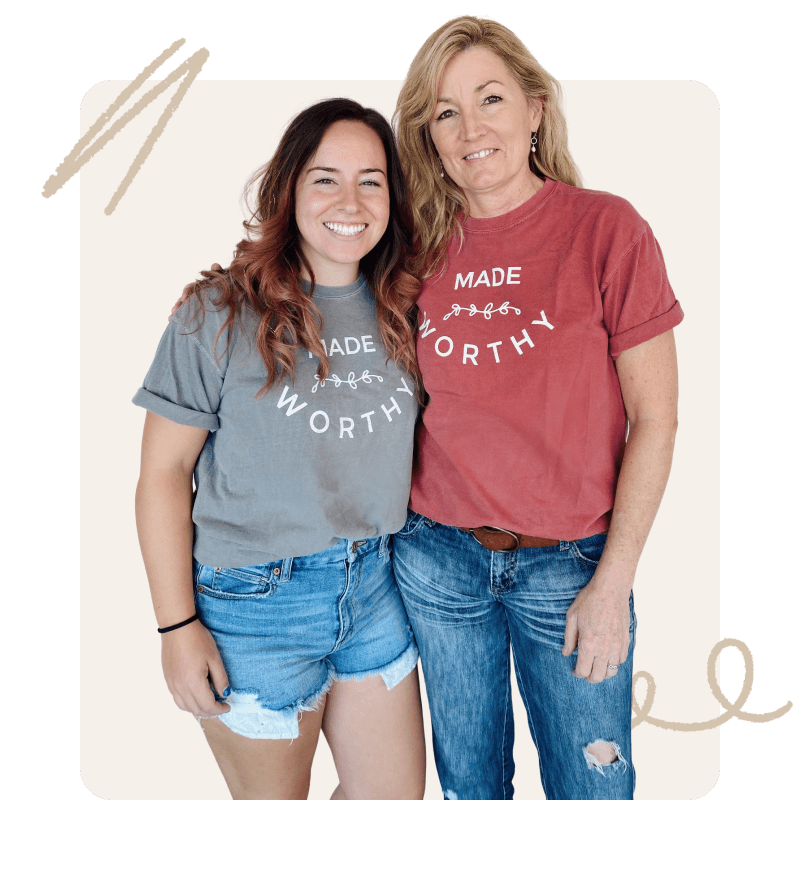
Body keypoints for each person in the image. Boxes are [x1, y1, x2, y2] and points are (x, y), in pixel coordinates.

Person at [390, 15, 682, 799]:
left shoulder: (606, 230)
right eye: (445, 112)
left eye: (490, 99)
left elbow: (656, 419)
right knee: (469, 791)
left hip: (572, 567)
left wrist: (613, 581)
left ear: (534, 110)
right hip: (437, 559)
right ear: (428, 135)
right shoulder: (413, 244)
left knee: (592, 793)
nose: (469, 128)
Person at [134, 98, 425, 800]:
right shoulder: (219, 310)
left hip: (377, 588)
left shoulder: (406, 305)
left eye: (371, 180)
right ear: (289, 190)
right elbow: (163, 475)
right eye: (325, 178)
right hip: (255, 605)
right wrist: (175, 626)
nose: (349, 200)